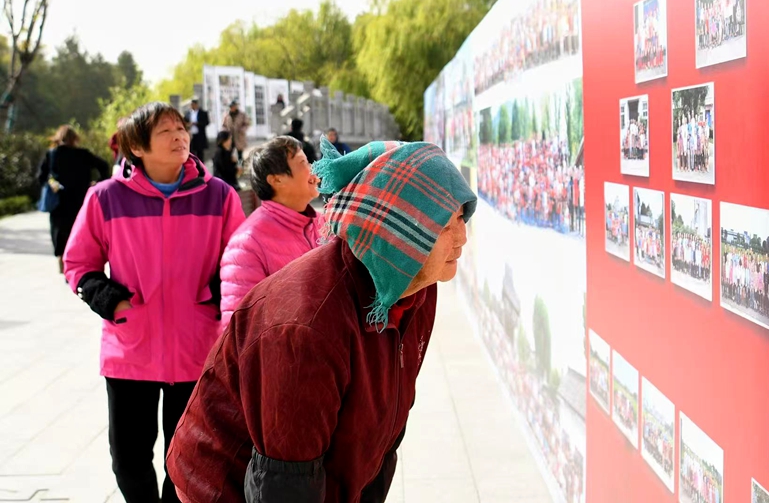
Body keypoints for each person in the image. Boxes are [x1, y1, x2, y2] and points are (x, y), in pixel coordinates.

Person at [167, 136, 477, 502]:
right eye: (444, 225)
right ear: (398, 236)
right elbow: (284, 486)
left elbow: (386, 428)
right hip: (226, 485)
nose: (462, 237)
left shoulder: (416, 288)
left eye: (461, 217)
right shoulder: (308, 326)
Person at [62, 101, 246, 503]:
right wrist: (113, 303)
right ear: (137, 147)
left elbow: (238, 261)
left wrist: (212, 299)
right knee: (127, 461)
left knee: (187, 460)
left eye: (181, 129)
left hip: (198, 348)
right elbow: (78, 263)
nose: (179, 137)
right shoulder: (105, 198)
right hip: (131, 351)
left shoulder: (219, 196)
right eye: (165, 131)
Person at [219, 136, 323, 324]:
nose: (313, 169)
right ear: (276, 180)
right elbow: (239, 329)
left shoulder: (324, 224)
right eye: (303, 163)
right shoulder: (246, 244)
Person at [38, 125, 110, 273]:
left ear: (58, 137)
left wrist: (51, 183)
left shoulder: (52, 154)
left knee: (59, 230)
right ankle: (77, 262)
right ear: (75, 138)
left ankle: (62, 258)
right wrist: (98, 183)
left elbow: (41, 177)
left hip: (59, 200)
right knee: (79, 230)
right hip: (80, 199)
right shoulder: (83, 154)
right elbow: (104, 166)